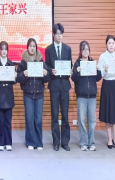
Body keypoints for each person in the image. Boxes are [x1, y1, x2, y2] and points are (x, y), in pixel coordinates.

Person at [17, 38, 51, 151]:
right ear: (27, 48)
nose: (32, 48)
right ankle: (30, 142)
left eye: (34, 46)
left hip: (39, 94)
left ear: (36, 48)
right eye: (30, 46)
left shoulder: (40, 61)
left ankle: (39, 142)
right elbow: (18, 78)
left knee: (38, 119)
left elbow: (47, 78)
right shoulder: (23, 62)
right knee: (29, 119)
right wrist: (24, 74)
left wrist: (46, 73)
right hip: (28, 94)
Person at [45, 23, 72, 151]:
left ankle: (65, 142)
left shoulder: (67, 49)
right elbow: (46, 65)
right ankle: (56, 142)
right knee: (55, 115)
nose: (59, 36)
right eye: (57, 34)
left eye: (61, 34)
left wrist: (70, 70)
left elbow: (70, 64)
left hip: (65, 85)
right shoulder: (48, 49)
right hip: (54, 85)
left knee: (65, 115)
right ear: (53, 34)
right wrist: (51, 70)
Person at [71, 41, 102, 151]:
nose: (85, 51)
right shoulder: (77, 63)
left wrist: (99, 71)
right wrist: (77, 72)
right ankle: (83, 143)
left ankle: (91, 143)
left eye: (87, 49)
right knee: (81, 120)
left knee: (92, 121)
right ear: (80, 51)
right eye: (83, 49)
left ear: (89, 51)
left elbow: (98, 78)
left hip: (92, 96)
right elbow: (74, 79)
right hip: (81, 96)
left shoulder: (92, 62)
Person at [98, 35, 115, 150]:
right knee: (108, 113)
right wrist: (104, 69)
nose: (111, 45)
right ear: (106, 44)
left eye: (113, 43)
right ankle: (109, 139)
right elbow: (100, 75)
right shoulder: (102, 57)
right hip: (107, 85)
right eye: (109, 43)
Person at [0, 41, 17, 151]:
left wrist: (15, 77)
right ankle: (0, 142)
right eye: (2, 49)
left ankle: (8, 142)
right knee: (1, 121)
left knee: (8, 121)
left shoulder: (11, 64)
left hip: (9, 95)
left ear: (8, 51)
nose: (4, 51)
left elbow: (14, 81)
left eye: (6, 49)